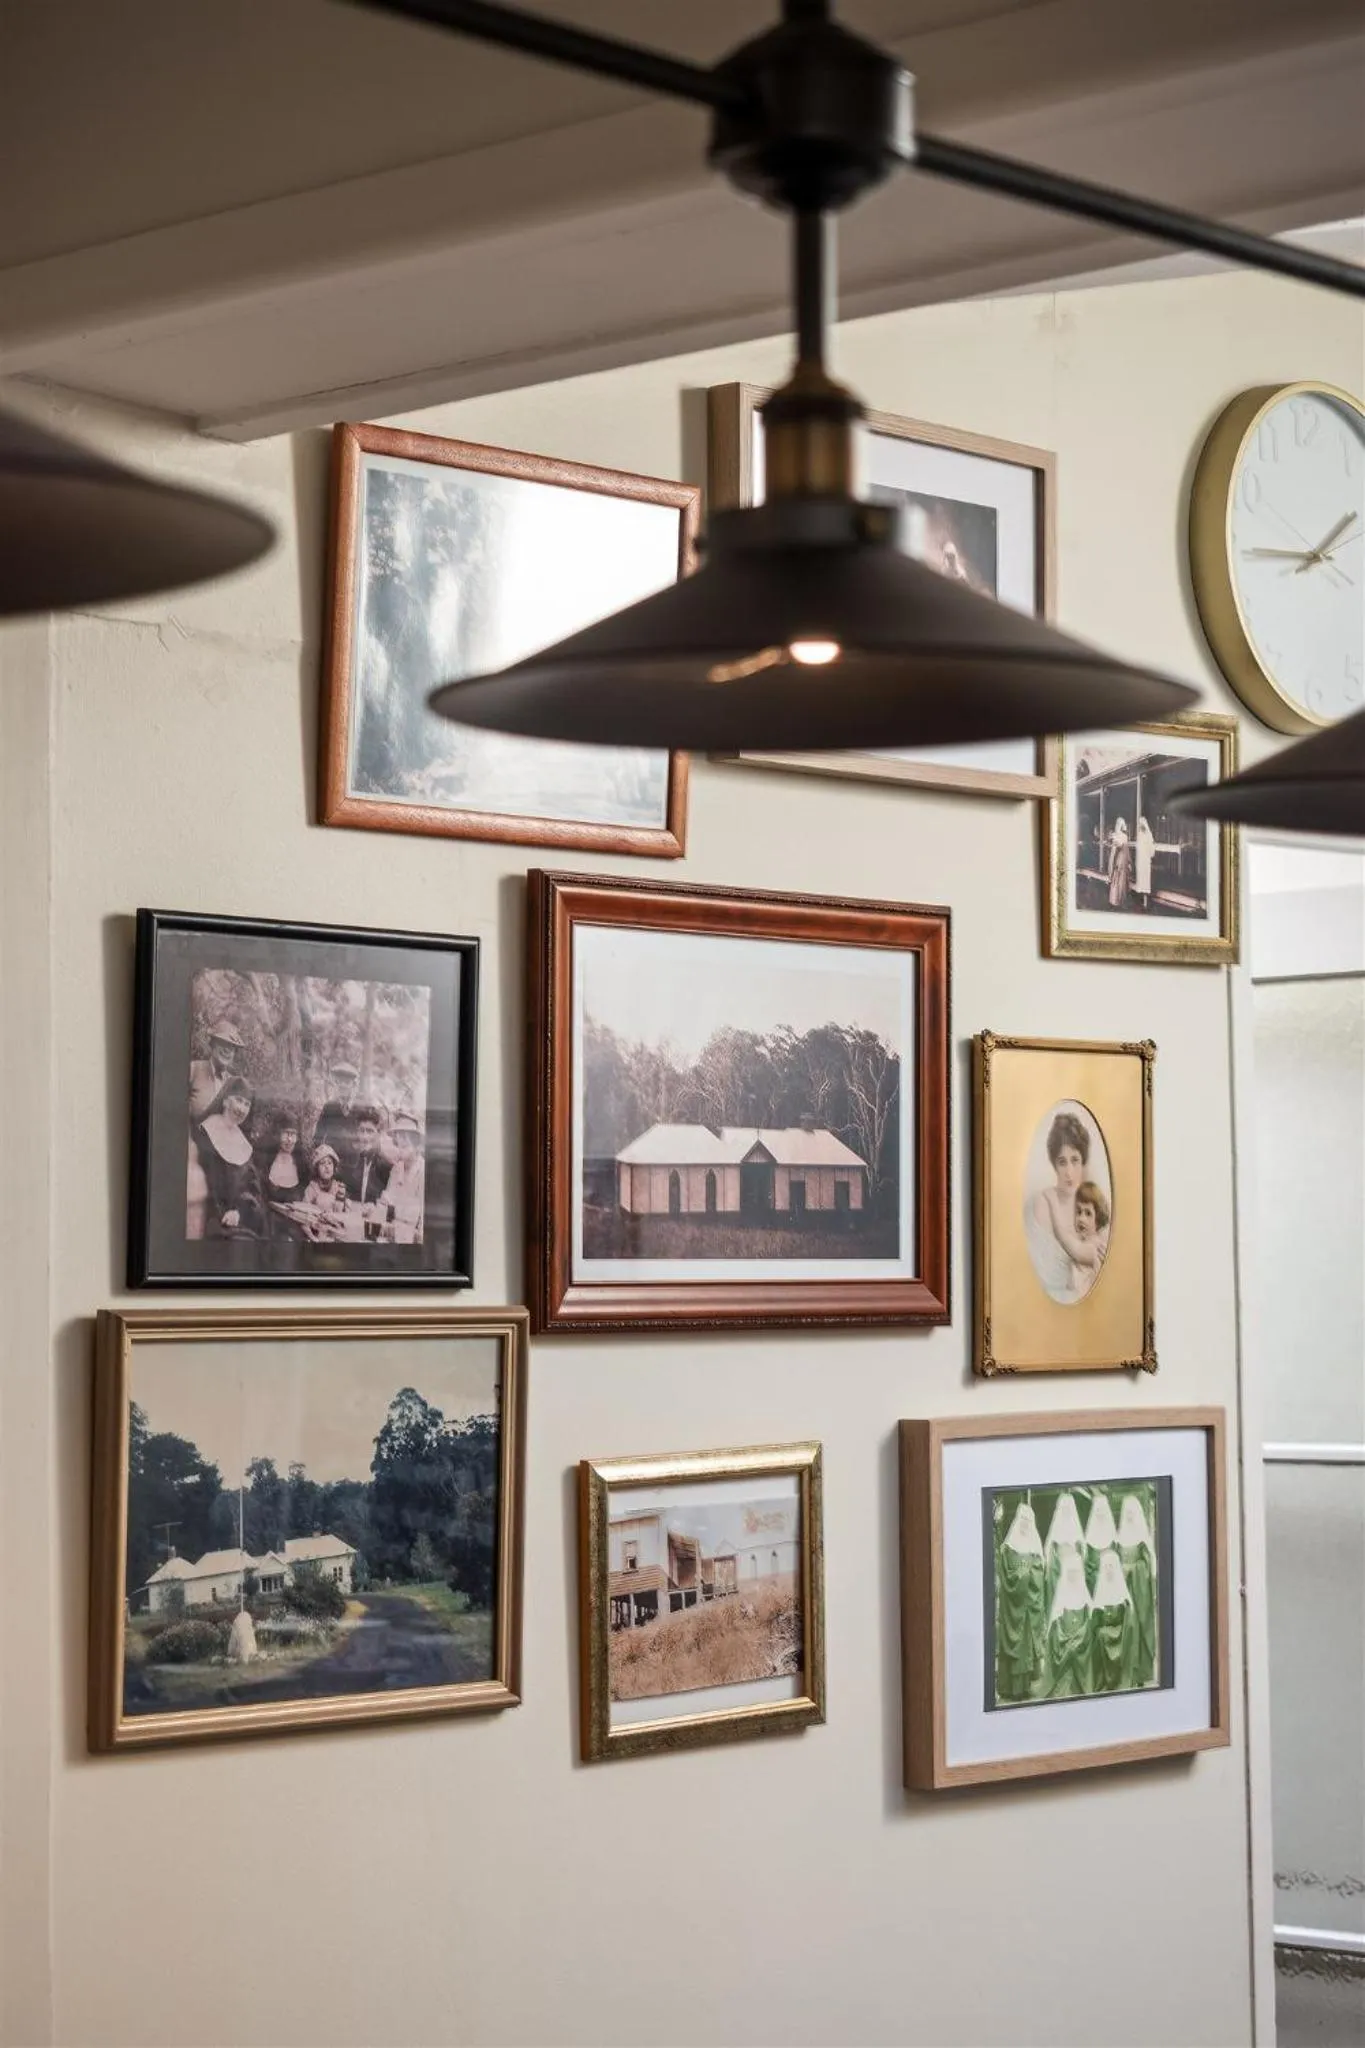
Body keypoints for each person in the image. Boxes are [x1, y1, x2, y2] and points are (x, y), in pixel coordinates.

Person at [1024, 1110, 1093, 1305]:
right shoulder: (1042, 1204)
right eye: (1062, 1162)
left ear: (1083, 1161)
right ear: (1054, 1164)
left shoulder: (1088, 1208)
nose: (1069, 1172)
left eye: (1075, 1160)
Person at [192, 1076, 266, 1240]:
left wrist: (240, 1212)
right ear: (225, 1101)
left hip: (239, 1219)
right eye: (239, 1100)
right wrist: (223, 1214)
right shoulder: (205, 1134)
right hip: (209, 1216)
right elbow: (205, 1182)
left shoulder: (244, 1144)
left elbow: (252, 1189)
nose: (242, 1108)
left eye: (247, 1104)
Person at [995, 1499, 1047, 1703]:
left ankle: (1024, 1688)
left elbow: (1039, 1575)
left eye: (1028, 1520)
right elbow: (1005, 1575)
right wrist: (1019, 1577)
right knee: (1013, 1647)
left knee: (1026, 1647)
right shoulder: (1008, 1548)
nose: (1025, 1524)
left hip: (1027, 1610)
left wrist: (1029, 1575)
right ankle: (1009, 1689)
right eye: (1022, 1520)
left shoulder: (1035, 1548)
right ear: (1017, 1521)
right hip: (1013, 1609)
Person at [1116, 1492, 1159, 1687]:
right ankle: (1126, 1673)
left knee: (1138, 1628)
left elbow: (1146, 1564)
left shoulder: (1142, 1539)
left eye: (1133, 1512)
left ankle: (1140, 1674)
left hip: (1138, 1590)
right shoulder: (1119, 1536)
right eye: (1127, 1512)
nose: (1130, 1515)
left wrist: (1133, 1570)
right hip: (1123, 1587)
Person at [189, 1019, 246, 1123]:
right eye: (223, 1043)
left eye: (232, 1047)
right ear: (212, 1044)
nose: (227, 1050)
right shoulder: (194, 1069)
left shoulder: (233, 1083)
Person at [258, 1112, 305, 1237]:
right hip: (268, 1228)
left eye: (293, 1134)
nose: (290, 1139)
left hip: (295, 1228)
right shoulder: (265, 1161)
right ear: (277, 1134)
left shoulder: (301, 1164)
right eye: (286, 1133)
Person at [312, 1058, 362, 1177]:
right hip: (333, 1166)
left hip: (355, 1166)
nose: (343, 1085)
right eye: (339, 1081)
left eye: (347, 1082)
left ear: (353, 1084)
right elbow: (318, 1137)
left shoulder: (359, 1109)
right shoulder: (329, 1107)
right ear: (335, 1083)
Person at [383, 1111, 425, 1244]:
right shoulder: (396, 1169)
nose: (400, 1150)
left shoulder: (423, 1171)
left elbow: (420, 1216)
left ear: (417, 1146)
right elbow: (386, 1201)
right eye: (398, 1145)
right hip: (392, 1234)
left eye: (405, 1146)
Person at [347, 1104, 391, 1230]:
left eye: (370, 1131)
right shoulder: (359, 1159)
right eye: (362, 1131)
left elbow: (391, 1208)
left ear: (379, 1133)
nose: (365, 1137)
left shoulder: (386, 1165)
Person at [1068, 1180, 1111, 1299]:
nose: (1081, 1218)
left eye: (1088, 1213)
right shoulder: (1080, 1242)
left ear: (1097, 1219)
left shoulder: (1095, 1245)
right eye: (1078, 1212)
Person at [300, 1145, 347, 1239]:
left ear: (334, 1167)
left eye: (330, 1163)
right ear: (316, 1169)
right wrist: (312, 1237)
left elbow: (344, 1217)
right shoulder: (312, 1188)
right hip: (316, 1234)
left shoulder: (339, 1187)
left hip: (336, 1235)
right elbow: (303, 1219)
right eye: (322, 1163)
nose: (327, 1167)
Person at [1107, 816, 1132, 909]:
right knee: (1119, 878)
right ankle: (1118, 900)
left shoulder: (1118, 835)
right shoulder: (1120, 835)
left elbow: (1123, 848)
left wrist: (1128, 861)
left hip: (1121, 858)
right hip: (1121, 858)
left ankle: (1118, 900)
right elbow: (1123, 849)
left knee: (1119, 878)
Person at [1134, 814, 1156, 911]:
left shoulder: (1148, 834)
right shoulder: (1140, 834)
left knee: (1145, 881)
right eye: (1139, 824)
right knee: (1141, 880)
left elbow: (1151, 849)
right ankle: (1142, 901)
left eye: (1141, 824)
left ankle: (1146, 902)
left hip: (1145, 860)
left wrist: (1149, 855)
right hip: (1141, 860)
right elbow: (1138, 848)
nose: (1140, 826)